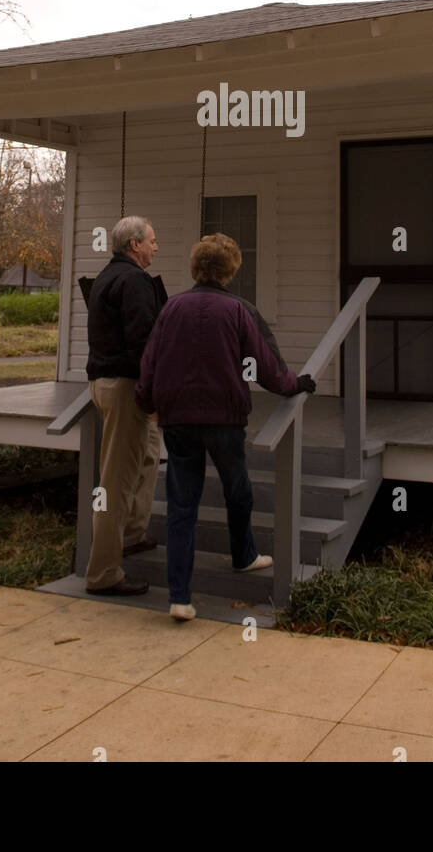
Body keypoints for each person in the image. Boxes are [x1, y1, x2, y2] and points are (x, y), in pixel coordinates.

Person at [135, 233, 315, 621]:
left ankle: (179, 597)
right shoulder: (239, 311)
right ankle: (243, 554)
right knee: (238, 489)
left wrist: (147, 402)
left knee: (182, 504)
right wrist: (294, 384)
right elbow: (266, 365)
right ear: (231, 269)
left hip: (178, 418)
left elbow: (149, 362)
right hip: (224, 418)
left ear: (195, 266)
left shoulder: (172, 309)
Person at [85, 215, 167, 596]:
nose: (155, 247)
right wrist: (155, 393)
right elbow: (143, 342)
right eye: (151, 241)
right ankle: (103, 573)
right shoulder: (134, 281)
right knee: (116, 481)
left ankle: (132, 534)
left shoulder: (106, 276)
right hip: (125, 387)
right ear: (134, 245)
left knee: (149, 455)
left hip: (107, 384)